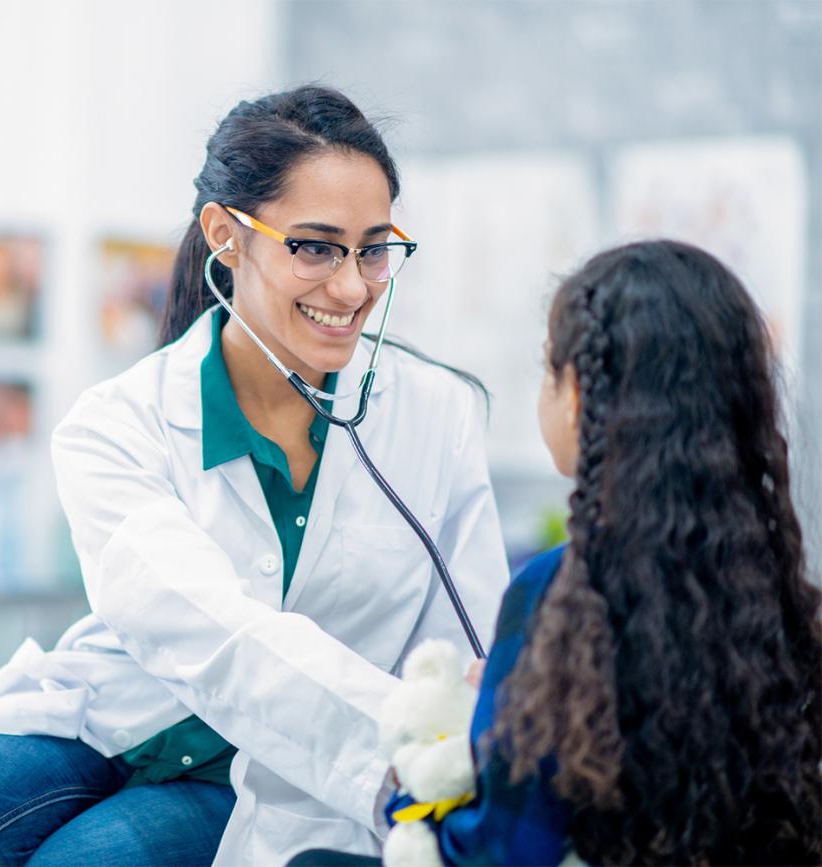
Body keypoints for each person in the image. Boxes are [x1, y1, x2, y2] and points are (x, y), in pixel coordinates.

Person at [0, 85, 508, 866]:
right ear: (226, 237)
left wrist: (441, 760)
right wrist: (394, 725)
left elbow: (468, 642)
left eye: (373, 248)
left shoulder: (435, 416)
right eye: (314, 247)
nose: (351, 287)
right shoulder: (117, 423)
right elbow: (198, 623)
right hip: (113, 718)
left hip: (284, 774)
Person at [293, 240, 822, 866]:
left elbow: (499, 852)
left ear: (578, 397)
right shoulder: (776, 593)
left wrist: (416, 785)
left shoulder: (559, 594)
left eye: (548, 369)